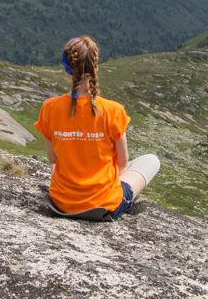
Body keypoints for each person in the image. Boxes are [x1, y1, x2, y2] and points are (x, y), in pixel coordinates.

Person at [33, 35, 160, 221]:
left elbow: (53, 158)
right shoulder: (113, 110)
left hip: (61, 203)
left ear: (66, 71)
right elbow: (123, 164)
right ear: (96, 68)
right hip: (103, 206)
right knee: (150, 160)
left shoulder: (49, 108)